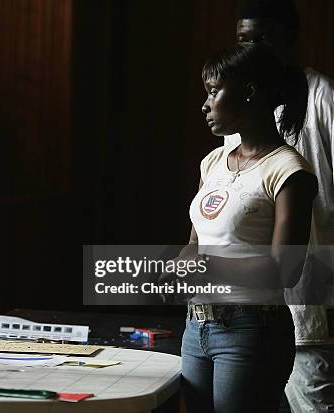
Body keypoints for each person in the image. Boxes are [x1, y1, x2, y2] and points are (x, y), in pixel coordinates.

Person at [163, 43, 317, 412]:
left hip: (251, 329)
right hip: (196, 326)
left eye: (214, 92)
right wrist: (173, 271)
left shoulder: (288, 170)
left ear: (249, 92)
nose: (205, 104)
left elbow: (286, 269)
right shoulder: (213, 161)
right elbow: (195, 245)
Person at [226, 1, 334, 411]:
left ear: (290, 38)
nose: (252, 49)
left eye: (262, 38)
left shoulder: (322, 98)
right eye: (243, 40)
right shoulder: (241, 107)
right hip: (248, 311)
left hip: (309, 294)